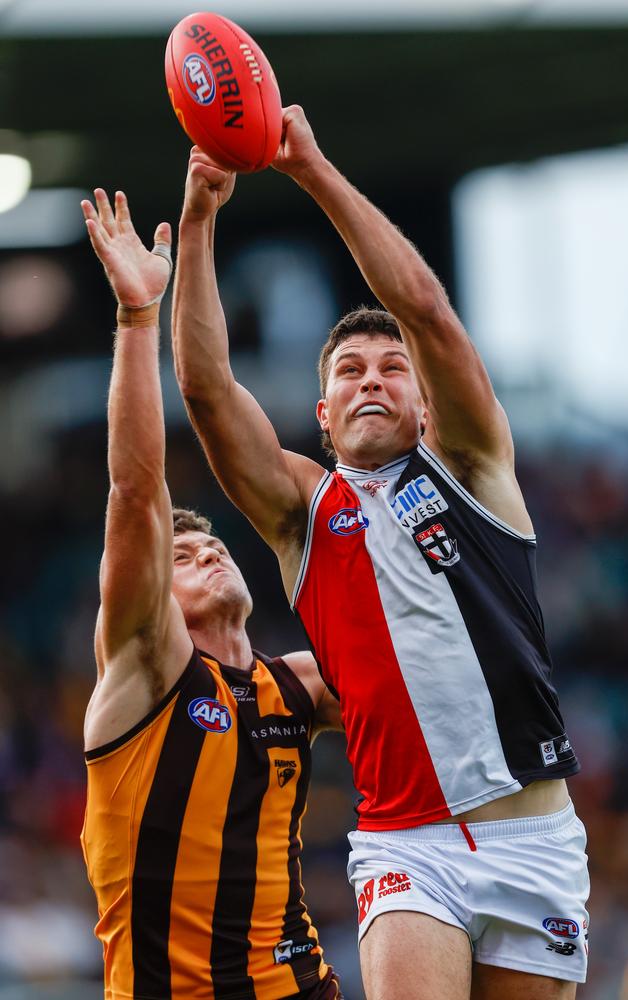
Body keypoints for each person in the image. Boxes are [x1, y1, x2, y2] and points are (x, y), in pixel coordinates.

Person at [172, 109, 590, 1000]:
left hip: (537, 838)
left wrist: (313, 170)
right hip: (410, 846)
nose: (371, 378)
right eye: (348, 372)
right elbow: (209, 394)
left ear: (425, 401)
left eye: (389, 368)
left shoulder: (475, 466)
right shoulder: (303, 512)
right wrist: (202, 217)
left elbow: (426, 311)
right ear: (320, 417)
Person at [79, 187, 343, 1000]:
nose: (210, 555)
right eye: (185, 555)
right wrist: (136, 320)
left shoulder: (295, 684)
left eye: (214, 545)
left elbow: (420, 677)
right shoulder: (143, 669)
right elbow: (135, 490)